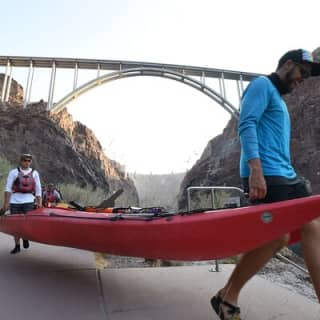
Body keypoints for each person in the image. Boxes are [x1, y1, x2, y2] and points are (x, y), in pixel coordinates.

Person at [210, 49, 320, 320]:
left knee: (314, 228)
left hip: (288, 175)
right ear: (288, 64)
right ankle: (228, 296)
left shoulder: (279, 100)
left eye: (306, 77)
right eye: (301, 73)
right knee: (276, 237)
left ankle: (226, 296)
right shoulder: (261, 85)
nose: (302, 80)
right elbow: (246, 125)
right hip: (268, 175)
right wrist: (255, 171)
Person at [2, 153, 42, 254]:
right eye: (24, 160)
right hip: (15, 201)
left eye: (29, 161)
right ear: (21, 161)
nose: (27, 162)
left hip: (29, 201)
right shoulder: (13, 172)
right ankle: (17, 246)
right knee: (15, 225)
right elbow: (7, 188)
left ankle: (25, 237)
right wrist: (6, 203)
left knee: (27, 223)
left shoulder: (35, 173)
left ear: (31, 162)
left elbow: (38, 189)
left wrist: (39, 203)